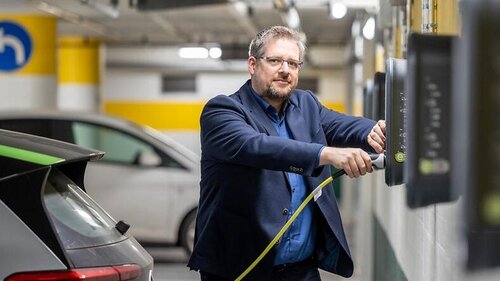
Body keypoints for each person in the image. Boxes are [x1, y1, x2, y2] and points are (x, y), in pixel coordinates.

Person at [188, 25, 386, 281]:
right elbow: (257, 147)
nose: (285, 70)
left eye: (293, 64)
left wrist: (374, 129)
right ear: (252, 64)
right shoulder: (222, 111)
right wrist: (325, 154)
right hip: (240, 268)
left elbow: (341, 124)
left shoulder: (306, 105)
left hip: (301, 271)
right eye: (275, 61)